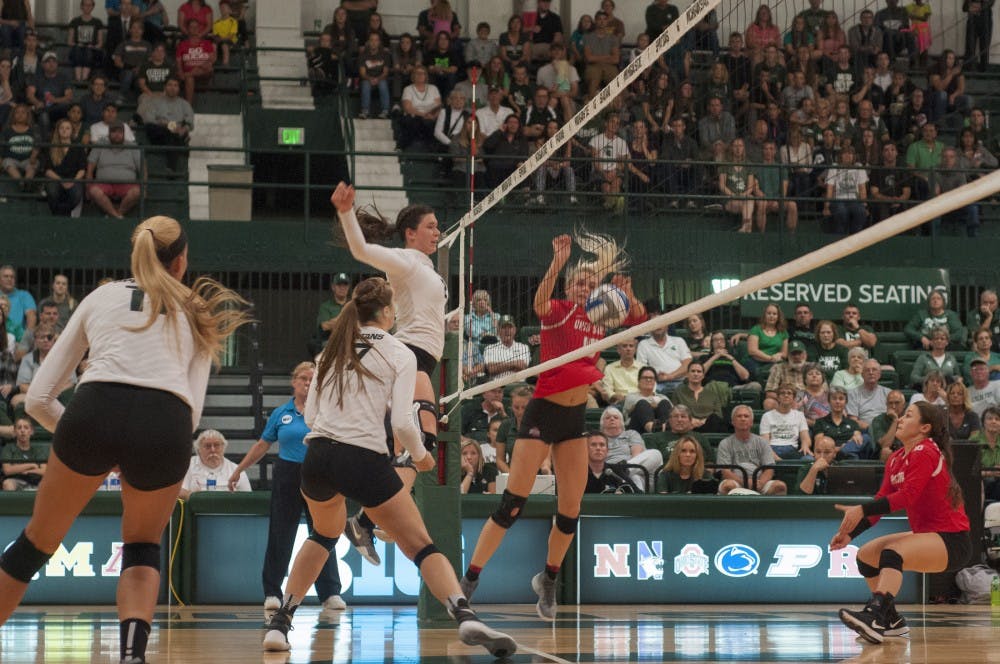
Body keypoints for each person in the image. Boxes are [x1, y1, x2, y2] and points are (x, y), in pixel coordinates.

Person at [0, 215, 249, 663]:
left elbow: (37, 399)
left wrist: (91, 441)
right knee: (141, 547)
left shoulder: (101, 296)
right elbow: (190, 413)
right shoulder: (195, 306)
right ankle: (132, 656)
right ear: (180, 262)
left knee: (35, 543)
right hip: (165, 422)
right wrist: (134, 447)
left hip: (93, 409)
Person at [260, 277, 515, 658]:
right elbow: (401, 424)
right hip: (361, 459)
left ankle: (280, 624)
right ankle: (464, 615)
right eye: (394, 307)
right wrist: (421, 455)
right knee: (421, 545)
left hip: (317, 460)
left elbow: (311, 416)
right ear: (385, 312)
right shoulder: (399, 352)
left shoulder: (330, 350)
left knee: (323, 535)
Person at [460, 230, 645, 621]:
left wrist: (627, 292)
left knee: (570, 510)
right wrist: (559, 261)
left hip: (573, 420)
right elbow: (539, 301)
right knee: (512, 505)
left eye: (591, 283)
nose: (585, 288)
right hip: (543, 414)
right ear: (570, 285)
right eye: (580, 282)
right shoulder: (559, 309)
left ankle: (548, 580)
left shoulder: (601, 320)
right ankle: (470, 579)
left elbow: (639, 315)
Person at [330, 182, 448, 569]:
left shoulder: (427, 269)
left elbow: (422, 315)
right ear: (411, 233)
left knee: (412, 445)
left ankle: (364, 520)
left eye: (437, 226)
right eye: (430, 226)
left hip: (422, 357)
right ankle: (365, 519)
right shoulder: (406, 260)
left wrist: (450, 321)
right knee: (422, 439)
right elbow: (361, 250)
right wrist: (346, 212)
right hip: (409, 356)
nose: (436, 231)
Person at [832, 402, 970, 644]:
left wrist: (861, 509)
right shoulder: (896, 458)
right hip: (927, 536)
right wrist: (851, 535)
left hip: (952, 540)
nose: (901, 419)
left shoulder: (928, 451)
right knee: (865, 556)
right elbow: (880, 504)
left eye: (908, 415)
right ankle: (891, 620)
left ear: (924, 427)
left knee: (892, 552)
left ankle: (874, 616)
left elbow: (907, 496)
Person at [227, 361, 344, 613]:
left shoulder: (327, 412)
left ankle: (330, 593)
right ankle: (272, 591)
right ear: (294, 382)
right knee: (281, 533)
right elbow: (262, 445)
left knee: (323, 532)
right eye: (303, 378)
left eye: (313, 379)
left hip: (319, 474)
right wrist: (239, 469)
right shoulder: (281, 413)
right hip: (288, 474)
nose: (308, 382)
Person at [716, 405, 787, 494]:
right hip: (736, 482)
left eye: (746, 416)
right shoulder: (725, 443)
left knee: (780, 486)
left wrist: (760, 483)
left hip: (759, 482)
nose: (743, 419)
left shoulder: (762, 442)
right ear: (733, 422)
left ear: (751, 422)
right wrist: (745, 482)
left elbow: (769, 469)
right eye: (739, 416)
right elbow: (725, 472)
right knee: (728, 486)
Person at [86, 121, 144, 219]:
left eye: (120, 132)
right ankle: (117, 215)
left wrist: (145, 186)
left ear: (124, 134)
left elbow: (143, 168)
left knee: (138, 192)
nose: (117, 135)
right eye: (114, 132)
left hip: (127, 184)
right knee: (94, 191)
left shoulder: (132, 146)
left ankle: (116, 214)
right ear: (109, 133)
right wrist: (88, 185)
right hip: (104, 183)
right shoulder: (100, 144)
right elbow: (90, 166)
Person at [599, 407, 663, 492]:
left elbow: (637, 454)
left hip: (634, 469)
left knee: (656, 454)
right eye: (608, 418)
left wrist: (625, 470)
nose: (612, 419)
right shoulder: (598, 438)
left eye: (616, 417)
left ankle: (623, 471)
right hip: (609, 473)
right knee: (634, 477)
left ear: (622, 423)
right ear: (602, 423)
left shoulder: (631, 434)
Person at [179, 429, 250, 499]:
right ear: (199, 450)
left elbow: (248, 497)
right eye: (207, 446)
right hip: (196, 508)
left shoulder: (235, 469)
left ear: (223, 448)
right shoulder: (188, 465)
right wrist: (197, 498)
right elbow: (179, 492)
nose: (213, 450)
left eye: (217, 445)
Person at [41, 118, 87, 217]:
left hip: (74, 178)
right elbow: (47, 170)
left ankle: (64, 215)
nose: (64, 130)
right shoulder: (50, 147)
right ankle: (58, 216)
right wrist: (61, 180)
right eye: (61, 128)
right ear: (57, 130)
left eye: (67, 128)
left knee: (77, 194)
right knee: (52, 191)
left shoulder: (78, 147)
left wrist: (73, 181)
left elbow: (82, 169)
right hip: (55, 178)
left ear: (72, 131)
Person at [670, 362, 730, 433]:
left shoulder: (712, 394)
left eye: (699, 371)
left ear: (703, 375)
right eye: (693, 371)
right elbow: (674, 412)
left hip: (709, 425)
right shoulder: (679, 392)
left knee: (716, 420)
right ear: (687, 374)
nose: (696, 374)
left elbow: (718, 414)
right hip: (687, 426)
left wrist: (704, 421)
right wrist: (690, 419)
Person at [309, 272, 351, 356]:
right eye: (339, 285)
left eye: (345, 285)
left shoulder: (353, 304)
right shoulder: (326, 306)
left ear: (348, 287)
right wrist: (346, 317)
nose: (342, 288)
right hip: (332, 341)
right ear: (333, 287)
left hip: (351, 340)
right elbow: (325, 326)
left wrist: (335, 322)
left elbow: (359, 324)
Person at [848, 359, 891, 437]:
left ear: (879, 374)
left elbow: (894, 416)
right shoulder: (853, 394)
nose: (871, 373)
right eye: (867, 370)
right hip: (864, 432)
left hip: (886, 431)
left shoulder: (888, 393)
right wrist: (872, 428)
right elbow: (853, 420)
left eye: (874, 370)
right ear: (862, 374)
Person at [175, 19, 216, 104]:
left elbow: (212, 59)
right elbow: (178, 61)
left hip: (204, 74)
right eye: (191, 27)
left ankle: (190, 74)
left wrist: (198, 67)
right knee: (189, 78)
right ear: (188, 29)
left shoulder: (207, 43)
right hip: (188, 76)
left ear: (199, 28)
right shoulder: (182, 44)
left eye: (196, 27)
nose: (194, 29)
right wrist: (180, 72)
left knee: (208, 66)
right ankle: (188, 106)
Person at [1, 417, 47, 491]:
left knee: (45, 484)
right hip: (16, 481)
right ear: (15, 432)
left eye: (26, 427)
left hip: (35, 482)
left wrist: (28, 471)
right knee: (7, 483)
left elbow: (44, 470)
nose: (22, 430)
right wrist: (31, 465)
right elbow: (7, 470)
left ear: (31, 431)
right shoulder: (8, 448)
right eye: (19, 428)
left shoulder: (38, 449)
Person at [971, 406, 1000, 500]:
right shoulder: (974, 440)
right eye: (989, 418)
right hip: (979, 483)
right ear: (983, 422)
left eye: (997, 419)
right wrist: (988, 472)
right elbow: (968, 470)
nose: (993, 421)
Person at [871, 389, 907, 461]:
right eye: (890, 403)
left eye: (897, 403)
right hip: (889, 452)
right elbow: (885, 445)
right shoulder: (878, 420)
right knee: (886, 451)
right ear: (886, 405)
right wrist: (895, 421)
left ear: (904, 405)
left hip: (906, 449)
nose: (893, 406)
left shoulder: (910, 418)